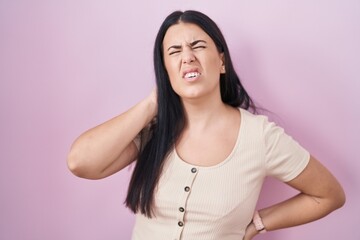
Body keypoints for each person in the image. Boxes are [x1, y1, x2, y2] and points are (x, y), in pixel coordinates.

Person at [67, 10, 345, 240]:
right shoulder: (153, 129)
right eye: (174, 51)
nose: (187, 56)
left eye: (197, 46)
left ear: (221, 61)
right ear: (165, 70)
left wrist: (261, 222)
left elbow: (329, 194)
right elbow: (81, 162)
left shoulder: (260, 136)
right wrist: (153, 102)